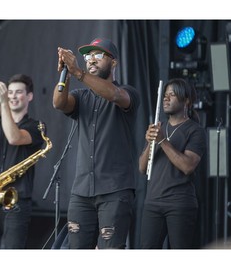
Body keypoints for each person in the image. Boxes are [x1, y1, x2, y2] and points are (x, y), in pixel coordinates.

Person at [53, 37, 140, 249]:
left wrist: (79, 73)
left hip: (115, 190)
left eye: (98, 55)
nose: (91, 60)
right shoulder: (81, 96)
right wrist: (66, 73)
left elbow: (115, 94)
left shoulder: (129, 92)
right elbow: (58, 103)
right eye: (87, 56)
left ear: (114, 62)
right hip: (82, 191)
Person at [0, 73, 44, 249]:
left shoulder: (36, 126)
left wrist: (4, 104)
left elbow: (14, 137)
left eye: (18, 92)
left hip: (17, 202)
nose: (12, 96)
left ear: (29, 97)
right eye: (9, 92)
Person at [138, 78, 206, 249]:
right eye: (165, 95)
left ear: (187, 101)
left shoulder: (195, 130)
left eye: (172, 95)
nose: (166, 99)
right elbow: (142, 168)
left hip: (180, 204)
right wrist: (151, 143)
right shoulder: (158, 128)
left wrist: (163, 141)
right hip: (153, 201)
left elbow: (188, 166)